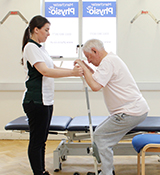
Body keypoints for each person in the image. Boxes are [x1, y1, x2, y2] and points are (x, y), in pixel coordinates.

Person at [74, 39, 149, 175]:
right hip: (133, 110)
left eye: (89, 57)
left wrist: (83, 67)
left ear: (95, 51)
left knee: (101, 136)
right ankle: (107, 171)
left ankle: (107, 173)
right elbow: (95, 77)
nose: (89, 61)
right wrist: (85, 66)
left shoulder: (108, 62)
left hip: (130, 112)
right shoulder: (110, 60)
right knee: (102, 138)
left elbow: (95, 86)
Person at [21, 15, 83, 175]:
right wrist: (72, 73)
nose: (49, 34)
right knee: (37, 141)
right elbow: (45, 71)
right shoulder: (30, 47)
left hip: (46, 100)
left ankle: (41, 170)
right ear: (36, 30)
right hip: (36, 101)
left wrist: (74, 72)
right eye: (46, 30)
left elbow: (53, 66)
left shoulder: (40, 48)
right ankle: (39, 172)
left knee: (42, 140)